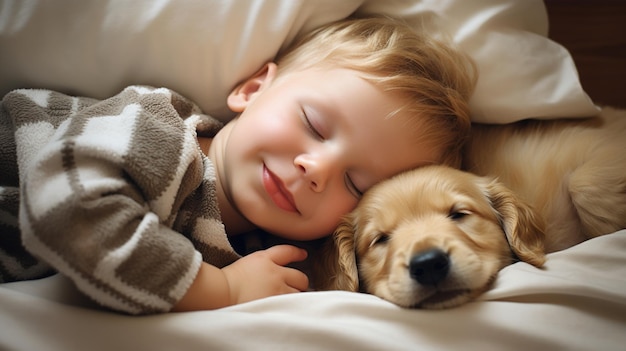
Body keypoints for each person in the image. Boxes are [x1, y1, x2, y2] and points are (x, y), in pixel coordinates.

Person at [0, 16, 476, 314]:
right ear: (252, 90)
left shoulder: (261, 251)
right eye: (313, 123)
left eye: (355, 184)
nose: (316, 169)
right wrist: (221, 291)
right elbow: (69, 214)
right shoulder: (155, 131)